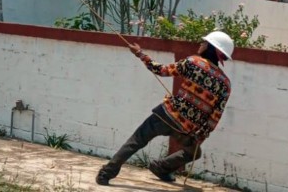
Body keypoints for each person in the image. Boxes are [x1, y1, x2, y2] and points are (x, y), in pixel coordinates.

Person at [96, 31, 233, 186]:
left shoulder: (193, 62)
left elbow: (161, 70)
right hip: (186, 129)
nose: (200, 44)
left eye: (204, 43)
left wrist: (140, 54)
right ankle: (161, 168)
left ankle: (106, 174)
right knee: (193, 152)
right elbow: (215, 117)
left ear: (212, 48)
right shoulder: (226, 84)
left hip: (165, 115)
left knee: (136, 141)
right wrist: (201, 136)